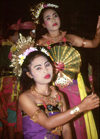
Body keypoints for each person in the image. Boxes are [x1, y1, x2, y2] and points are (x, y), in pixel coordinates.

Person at [30, 2, 100, 139]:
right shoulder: (40, 43)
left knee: (79, 119)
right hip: (54, 86)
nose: (53, 20)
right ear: (43, 24)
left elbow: (93, 44)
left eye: (55, 16)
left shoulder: (69, 37)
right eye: (48, 18)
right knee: (60, 120)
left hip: (74, 84)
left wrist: (98, 33)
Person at [9, 34, 100, 139]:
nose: (45, 70)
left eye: (47, 65)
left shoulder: (59, 95)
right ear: (29, 74)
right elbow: (48, 123)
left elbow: (66, 130)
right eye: (38, 68)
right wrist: (81, 107)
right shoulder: (25, 97)